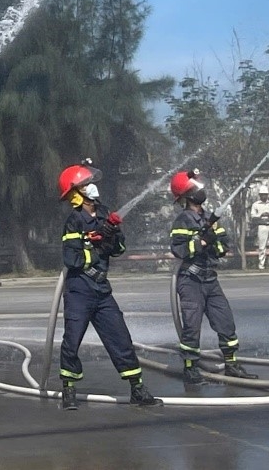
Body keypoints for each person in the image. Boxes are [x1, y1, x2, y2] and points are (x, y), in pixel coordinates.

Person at [57, 162, 160, 410]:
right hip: (79, 290)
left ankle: (137, 387)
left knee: (120, 337)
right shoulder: (74, 221)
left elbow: (120, 249)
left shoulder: (105, 214)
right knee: (72, 340)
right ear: (76, 192)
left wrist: (110, 238)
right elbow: (72, 259)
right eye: (85, 184)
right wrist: (93, 245)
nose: (92, 187)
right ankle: (69, 390)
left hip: (102, 290)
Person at [169, 169, 259, 384]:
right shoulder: (183, 220)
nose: (201, 190)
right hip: (191, 280)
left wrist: (213, 239)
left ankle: (231, 363)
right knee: (191, 325)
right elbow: (179, 250)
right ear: (187, 195)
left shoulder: (210, 219)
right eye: (195, 188)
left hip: (210, 279)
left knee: (226, 322)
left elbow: (222, 247)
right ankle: (190, 367)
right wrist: (201, 242)